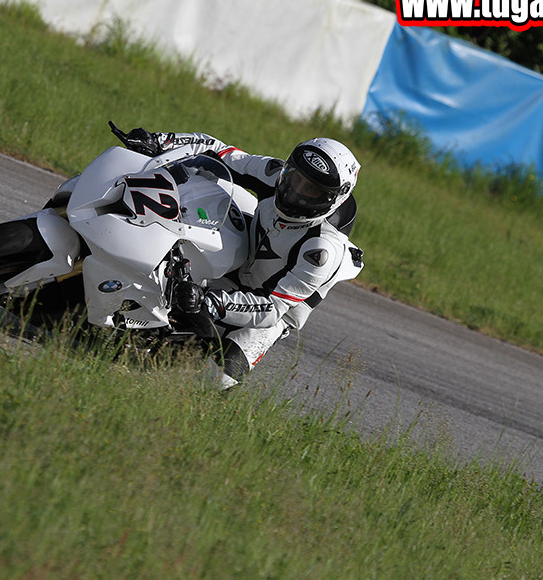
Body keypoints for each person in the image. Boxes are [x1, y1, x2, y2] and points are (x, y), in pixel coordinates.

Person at [111, 124, 364, 389]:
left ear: (332, 199)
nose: (294, 191)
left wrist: (209, 303)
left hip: (271, 311)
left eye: (310, 190)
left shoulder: (321, 251)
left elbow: (272, 307)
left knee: (216, 379)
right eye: (295, 177)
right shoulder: (276, 176)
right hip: (244, 256)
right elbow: (217, 150)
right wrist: (159, 141)